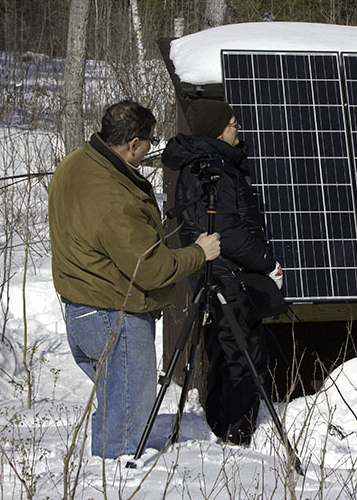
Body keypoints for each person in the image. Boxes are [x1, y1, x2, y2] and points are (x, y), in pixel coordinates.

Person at [48, 100, 221, 458]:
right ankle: (117, 484)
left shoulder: (76, 163)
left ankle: (102, 474)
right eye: (148, 143)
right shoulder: (113, 197)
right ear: (132, 143)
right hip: (114, 314)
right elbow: (151, 268)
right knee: (126, 424)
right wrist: (198, 253)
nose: (148, 151)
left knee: (115, 405)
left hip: (82, 310)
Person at [162, 99, 284, 445]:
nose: (238, 128)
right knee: (241, 353)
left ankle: (225, 421)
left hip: (220, 273)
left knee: (227, 347)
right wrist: (266, 261)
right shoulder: (211, 168)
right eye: (233, 123)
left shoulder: (213, 164)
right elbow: (227, 233)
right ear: (218, 130)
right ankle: (234, 429)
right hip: (225, 275)